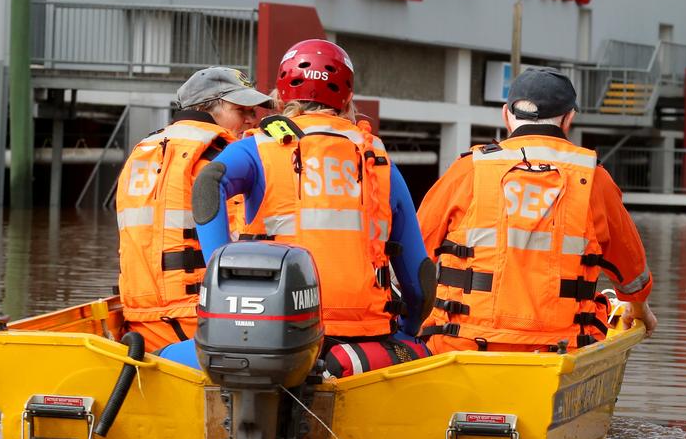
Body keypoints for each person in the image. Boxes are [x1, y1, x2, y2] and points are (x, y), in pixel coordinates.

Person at [182, 39, 435, 377]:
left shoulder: (260, 147)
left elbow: (208, 184)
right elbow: (419, 281)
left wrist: (223, 282)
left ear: (282, 96)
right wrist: (408, 326)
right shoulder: (378, 160)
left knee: (162, 353)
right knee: (419, 350)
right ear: (346, 99)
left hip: (269, 333)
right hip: (362, 338)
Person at [417, 67, 658, 353]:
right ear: (569, 119)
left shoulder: (468, 169)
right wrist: (640, 309)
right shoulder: (594, 179)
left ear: (506, 114)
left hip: (462, 345)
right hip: (559, 349)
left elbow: (415, 252)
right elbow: (633, 271)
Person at [115, 66, 273, 353]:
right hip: (200, 321)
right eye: (243, 110)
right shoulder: (222, 158)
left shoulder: (142, 151)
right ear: (212, 107)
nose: (252, 120)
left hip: (139, 322)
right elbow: (247, 243)